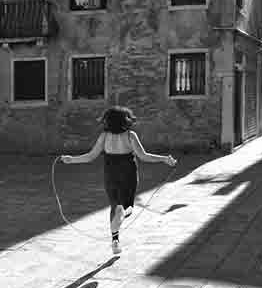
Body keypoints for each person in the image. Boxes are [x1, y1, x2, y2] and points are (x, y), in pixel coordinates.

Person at [60, 106, 177, 254]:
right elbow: (144, 156)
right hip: (128, 172)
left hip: (111, 173)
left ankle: (115, 240)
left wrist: (71, 160)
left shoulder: (104, 136)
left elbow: (90, 156)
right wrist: (164, 159)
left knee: (114, 205)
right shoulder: (130, 135)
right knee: (128, 207)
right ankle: (123, 213)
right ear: (126, 120)